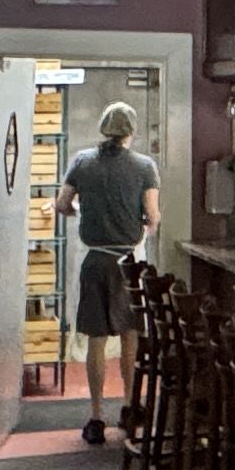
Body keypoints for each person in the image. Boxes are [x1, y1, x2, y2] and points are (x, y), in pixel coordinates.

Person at [57, 101, 160, 446]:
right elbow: (153, 216)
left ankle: (96, 416)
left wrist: (82, 212)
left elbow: (62, 204)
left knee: (96, 340)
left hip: (95, 261)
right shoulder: (145, 166)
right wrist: (142, 223)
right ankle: (130, 407)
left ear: (104, 129)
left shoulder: (82, 162)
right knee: (131, 334)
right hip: (129, 263)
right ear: (131, 132)